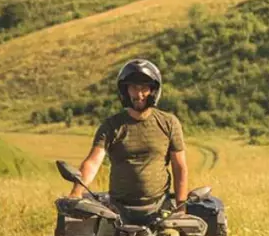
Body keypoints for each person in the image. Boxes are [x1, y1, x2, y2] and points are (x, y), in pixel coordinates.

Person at [69, 59, 189, 220]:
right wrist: (76, 193)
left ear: (153, 90)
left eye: (144, 88)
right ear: (125, 90)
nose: (139, 94)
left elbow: (179, 166)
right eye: (133, 87)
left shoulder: (169, 123)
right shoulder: (112, 125)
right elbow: (92, 162)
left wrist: (181, 207)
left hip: (160, 209)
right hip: (117, 210)